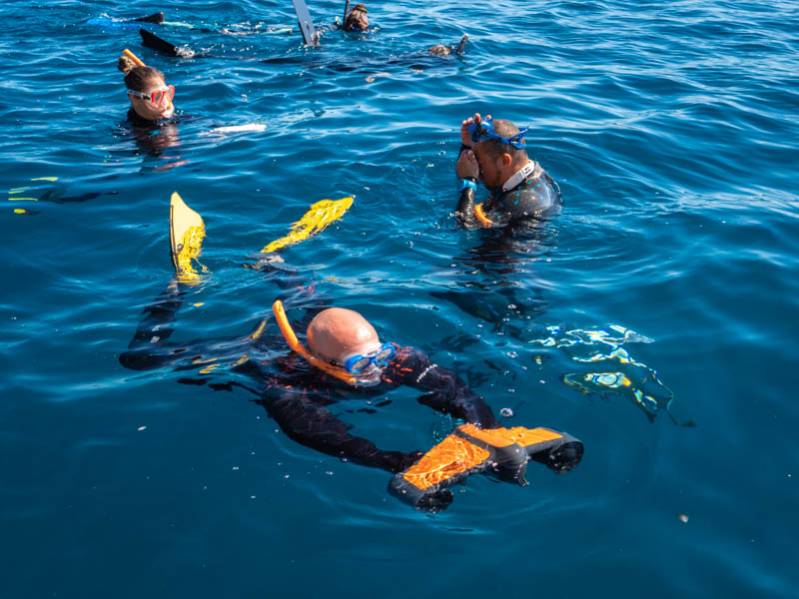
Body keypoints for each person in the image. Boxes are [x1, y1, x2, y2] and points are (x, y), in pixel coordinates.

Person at [119, 194, 583, 510]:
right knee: (143, 359)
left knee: (307, 297)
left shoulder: (396, 358)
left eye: (379, 357)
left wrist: (488, 434)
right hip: (259, 353)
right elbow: (332, 440)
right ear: (322, 363)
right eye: (364, 366)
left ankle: (272, 262)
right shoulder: (286, 387)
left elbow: (454, 391)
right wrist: (401, 462)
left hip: (324, 335)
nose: (378, 371)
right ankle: (176, 287)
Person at [455, 113, 561, 228]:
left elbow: (465, 226)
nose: (475, 168)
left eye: (479, 163)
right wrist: (467, 146)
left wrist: (468, 182)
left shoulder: (521, 203)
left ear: (505, 161)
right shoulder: (535, 172)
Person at [118, 51, 176, 126]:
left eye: (167, 93)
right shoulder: (132, 132)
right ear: (134, 98)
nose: (165, 103)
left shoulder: (174, 117)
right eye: (156, 97)